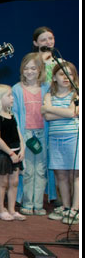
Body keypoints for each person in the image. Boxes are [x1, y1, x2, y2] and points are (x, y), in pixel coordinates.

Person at [12, 53, 50, 216]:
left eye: (33, 68)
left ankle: (38, 203)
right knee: (27, 170)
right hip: (25, 134)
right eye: (26, 68)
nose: (29, 71)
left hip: (42, 134)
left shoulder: (47, 87)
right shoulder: (17, 89)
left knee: (41, 170)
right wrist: (20, 138)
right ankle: (27, 202)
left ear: (40, 69)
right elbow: (14, 115)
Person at [42, 62, 79, 225]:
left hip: (73, 137)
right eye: (62, 74)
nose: (66, 77)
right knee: (61, 175)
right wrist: (67, 114)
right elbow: (46, 116)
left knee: (76, 174)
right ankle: (65, 206)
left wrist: (51, 110)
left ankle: (76, 208)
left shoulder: (75, 94)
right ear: (54, 77)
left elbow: (73, 112)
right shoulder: (49, 95)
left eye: (69, 74)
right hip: (55, 138)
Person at [0, 85, 26, 221]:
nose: (12, 98)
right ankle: (0, 209)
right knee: (2, 182)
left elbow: (18, 133)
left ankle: (12, 209)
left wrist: (22, 148)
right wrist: (10, 153)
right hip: (4, 154)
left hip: (16, 153)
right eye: (8, 96)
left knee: (14, 182)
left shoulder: (11, 115)